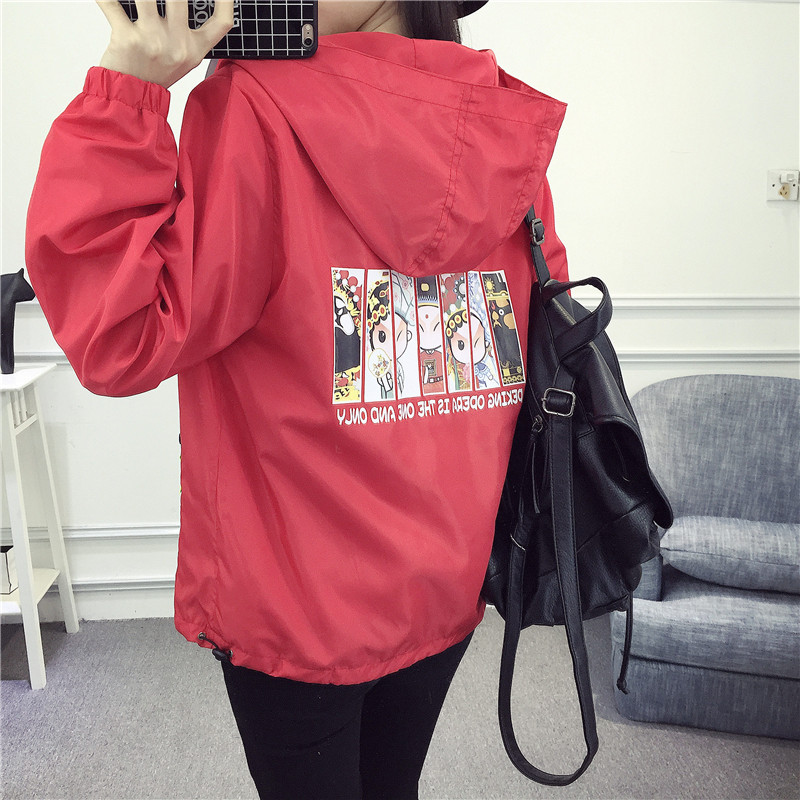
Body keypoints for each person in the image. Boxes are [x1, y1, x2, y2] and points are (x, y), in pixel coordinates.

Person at [25, 1, 569, 797]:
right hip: (447, 582)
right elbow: (529, 336)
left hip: (295, 609)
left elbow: (119, 334)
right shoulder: (496, 122)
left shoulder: (255, 107)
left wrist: (127, 88)